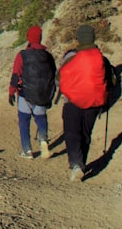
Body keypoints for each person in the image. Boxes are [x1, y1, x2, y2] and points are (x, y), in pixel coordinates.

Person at [56, 24, 108, 182]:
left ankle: (76, 164)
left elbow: (59, 78)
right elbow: (110, 80)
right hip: (94, 102)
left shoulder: (71, 55)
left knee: (72, 133)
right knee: (85, 134)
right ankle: (82, 164)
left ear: (78, 38)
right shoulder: (101, 58)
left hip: (72, 101)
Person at [8, 25, 56, 159]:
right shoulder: (47, 56)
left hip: (25, 94)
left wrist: (11, 91)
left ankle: (27, 150)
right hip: (42, 94)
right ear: (40, 38)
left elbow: (16, 75)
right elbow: (53, 75)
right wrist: (51, 94)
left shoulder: (22, 55)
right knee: (41, 118)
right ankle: (43, 140)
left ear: (28, 38)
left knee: (24, 121)